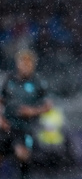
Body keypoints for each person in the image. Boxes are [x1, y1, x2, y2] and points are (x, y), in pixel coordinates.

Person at [0, 49, 52, 179]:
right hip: (7, 125)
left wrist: (32, 111)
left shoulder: (38, 82)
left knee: (23, 155)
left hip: (26, 127)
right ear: (18, 63)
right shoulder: (9, 79)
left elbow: (48, 106)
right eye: (23, 62)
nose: (25, 66)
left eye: (28, 63)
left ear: (33, 65)